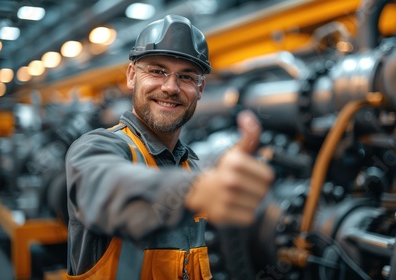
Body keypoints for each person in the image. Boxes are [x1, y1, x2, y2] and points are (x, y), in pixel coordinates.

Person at [65, 14, 274, 279]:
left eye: (187, 77)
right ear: (131, 75)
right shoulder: (96, 147)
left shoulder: (195, 169)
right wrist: (194, 192)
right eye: (157, 70)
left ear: (200, 89)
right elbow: (103, 190)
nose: (171, 87)